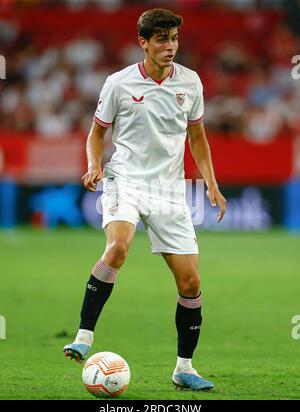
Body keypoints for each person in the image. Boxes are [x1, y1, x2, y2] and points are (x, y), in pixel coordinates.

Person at [64, 8, 226, 391]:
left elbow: (198, 138)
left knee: (190, 282)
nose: (170, 46)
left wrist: (212, 184)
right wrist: (94, 165)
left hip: (170, 190)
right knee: (118, 247)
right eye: (162, 40)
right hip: (126, 180)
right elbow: (96, 134)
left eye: (174, 39)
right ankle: (84, 336)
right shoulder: (118, 84)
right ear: (144, 43)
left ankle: (184, 367)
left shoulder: (190, 82)